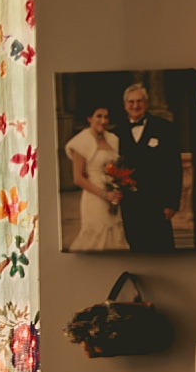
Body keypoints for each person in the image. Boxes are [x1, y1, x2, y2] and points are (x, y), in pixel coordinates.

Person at [116, 82, 182, 252]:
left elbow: (174, 168)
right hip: (130, 204)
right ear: (125, 105)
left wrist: (172, 204)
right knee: (136, 250)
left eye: (139, 101)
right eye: (131, 102)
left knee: (162, 249)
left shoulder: (165, 128)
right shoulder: (116, 133)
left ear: (146, 103)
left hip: (157, 203)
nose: (135, 105)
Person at [63, 104, 129, 252]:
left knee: (115, 236)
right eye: (99, 116)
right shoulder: (81, 142)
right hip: (95, 198)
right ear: (89, 118)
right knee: (97, 238)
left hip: (113, 196)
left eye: (106, 117)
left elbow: (118, 169)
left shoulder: (112, 140)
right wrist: (105, 194)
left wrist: (117, 189)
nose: (103, 120)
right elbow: (78, 178)